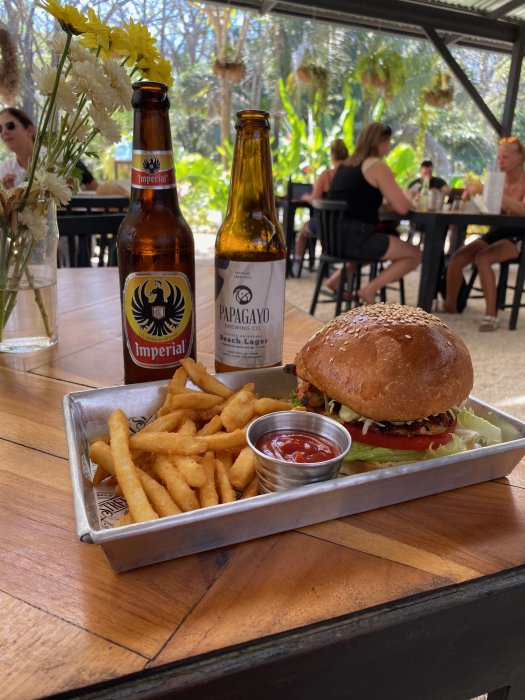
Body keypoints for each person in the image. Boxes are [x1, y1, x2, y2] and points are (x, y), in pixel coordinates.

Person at [324, 122, 421, 304]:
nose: (388, 147)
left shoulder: (346, 166)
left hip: (332, 239)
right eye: (388, 142)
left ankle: (336, 279)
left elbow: (357, 201)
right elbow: (402, 208)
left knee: (375, 250)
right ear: (380, 142)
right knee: (415, 254)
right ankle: (369, 290)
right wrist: (409, 196)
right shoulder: (377, 166)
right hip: (356, 238)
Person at [443, 136, 525, 331]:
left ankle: (491, 315)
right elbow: (484, 207)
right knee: (457, 258)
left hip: (519, 235)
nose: (500, 161)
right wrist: (471, 193)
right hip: (497, 232)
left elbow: (522, 210)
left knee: (483, 259)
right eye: (498, 157)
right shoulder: (496, 180)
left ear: (519, 158)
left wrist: (496, 193)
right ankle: (449, 308)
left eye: (505, 157)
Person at [0, 107, 98, 191]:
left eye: (9, 126)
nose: (4, 132)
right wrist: (9, 194)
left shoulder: (61, 157)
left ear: (29, 130)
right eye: (0, 129)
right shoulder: (3, 170)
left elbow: (94, 188)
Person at [291, 138, 349, 277]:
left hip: (327, 225)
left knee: (302, 232)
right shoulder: (351, 175)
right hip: (347, 224)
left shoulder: (327, 175)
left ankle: (296, 265)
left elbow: (314, 200)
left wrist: (306, 197)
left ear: (332, 155)